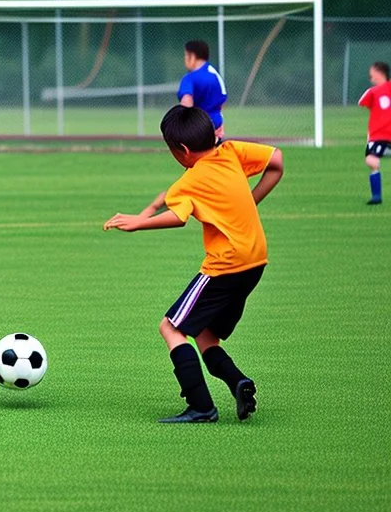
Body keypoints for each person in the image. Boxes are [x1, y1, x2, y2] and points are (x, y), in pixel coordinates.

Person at [104, 104, 284, 423]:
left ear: (182, 150)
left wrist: (137, 222)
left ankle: (201, 407)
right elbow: (277, 161)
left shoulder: (188, 182)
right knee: (204, 336)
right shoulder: (230, 151)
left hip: (225, 265)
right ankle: (238, 382)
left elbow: (178, 217)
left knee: (171, 328)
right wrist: (250, 202)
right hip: (256, 261)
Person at [177, 40, 228, 139]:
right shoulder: (215, 75)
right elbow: (221, 102)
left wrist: (183, 127)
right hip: (216, 127)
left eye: (186, 56)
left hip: (197, 129)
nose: (185, 59)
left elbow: (186, 102)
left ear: (192, 56)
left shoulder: (190, 78)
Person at [357, 61, 391, 205]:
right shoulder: (374, 91)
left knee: (372, 160)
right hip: (379, 136)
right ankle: (376, 197)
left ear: (379, 73)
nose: (370, 77)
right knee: (372, 160)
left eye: (372, 74)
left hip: (379, 136)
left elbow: (362, 102)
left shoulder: (373, 92)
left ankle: (376, 196)